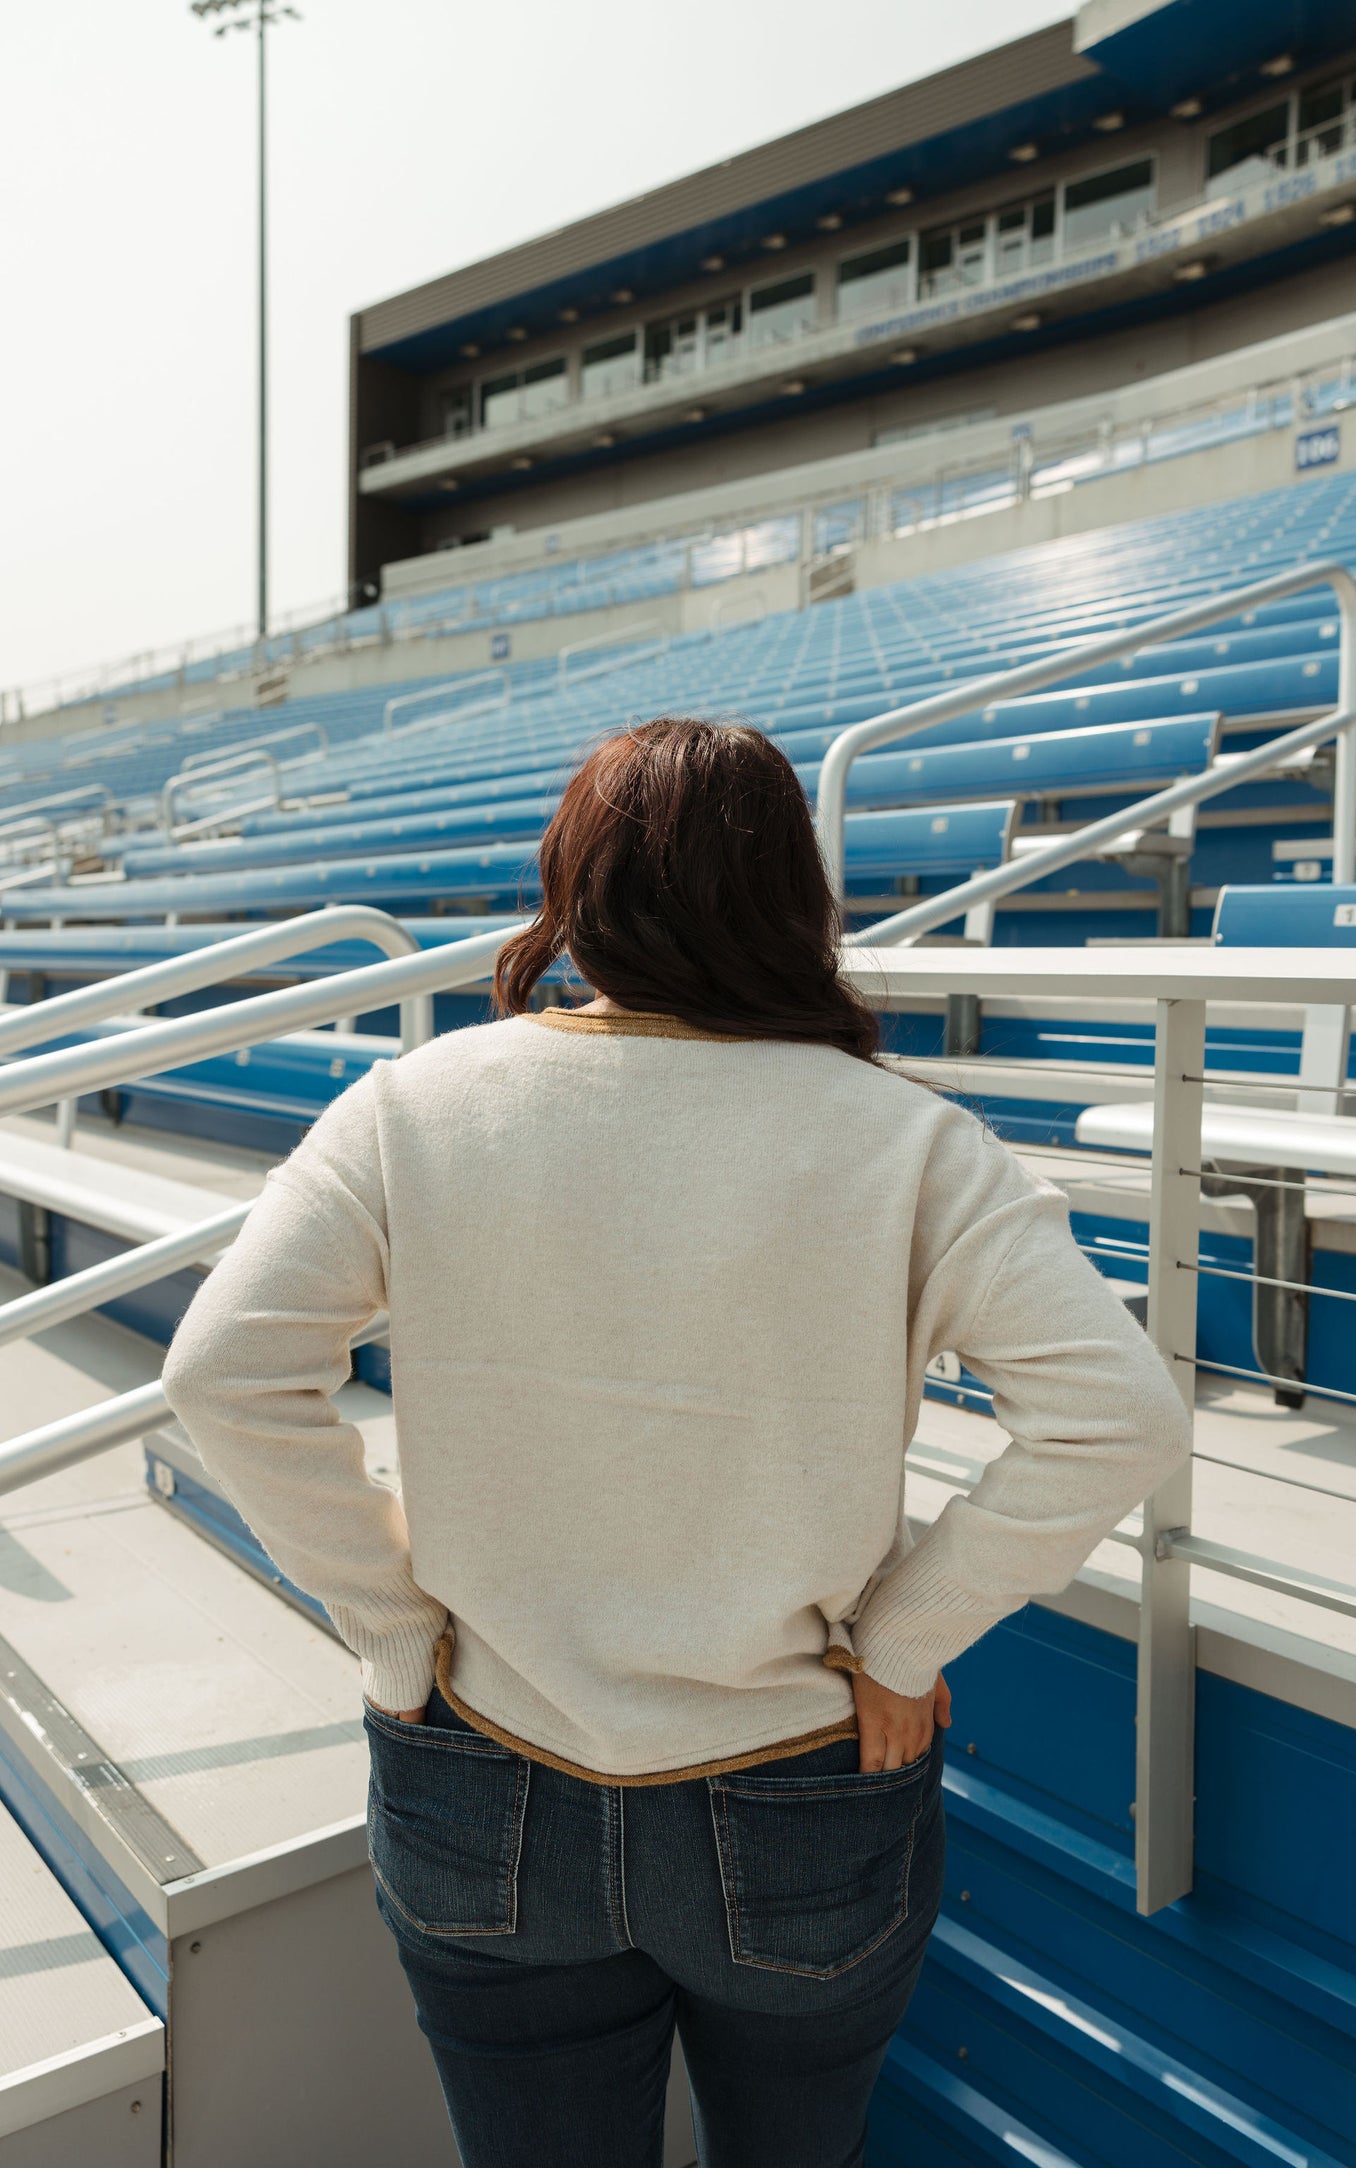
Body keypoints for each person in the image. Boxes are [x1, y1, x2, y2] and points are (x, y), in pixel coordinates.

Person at [163, 717, 1191, 2168]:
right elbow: (1119, 1415)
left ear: (575, 885)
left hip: (481, 1765)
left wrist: (391, 1627)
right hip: (799, 1777)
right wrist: (905, 1640)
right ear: (793, 894)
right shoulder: (906, 1139)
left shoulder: (418, 1105)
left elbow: (224, 1373)